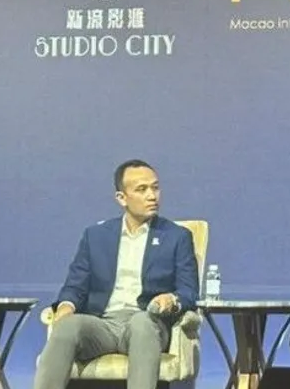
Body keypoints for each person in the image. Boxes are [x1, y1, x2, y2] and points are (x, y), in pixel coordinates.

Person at [33, 160, 199, 389]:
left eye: (155, 188)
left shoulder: (177, 236)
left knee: (141, 323)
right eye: (142, 189)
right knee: (68, 326)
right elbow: (74, 286)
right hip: (103, 324)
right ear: (122, 198)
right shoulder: (96, 236)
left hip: (147, 321)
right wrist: (65, 307)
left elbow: (189, 291)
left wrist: (171, 299)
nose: (152, 196)